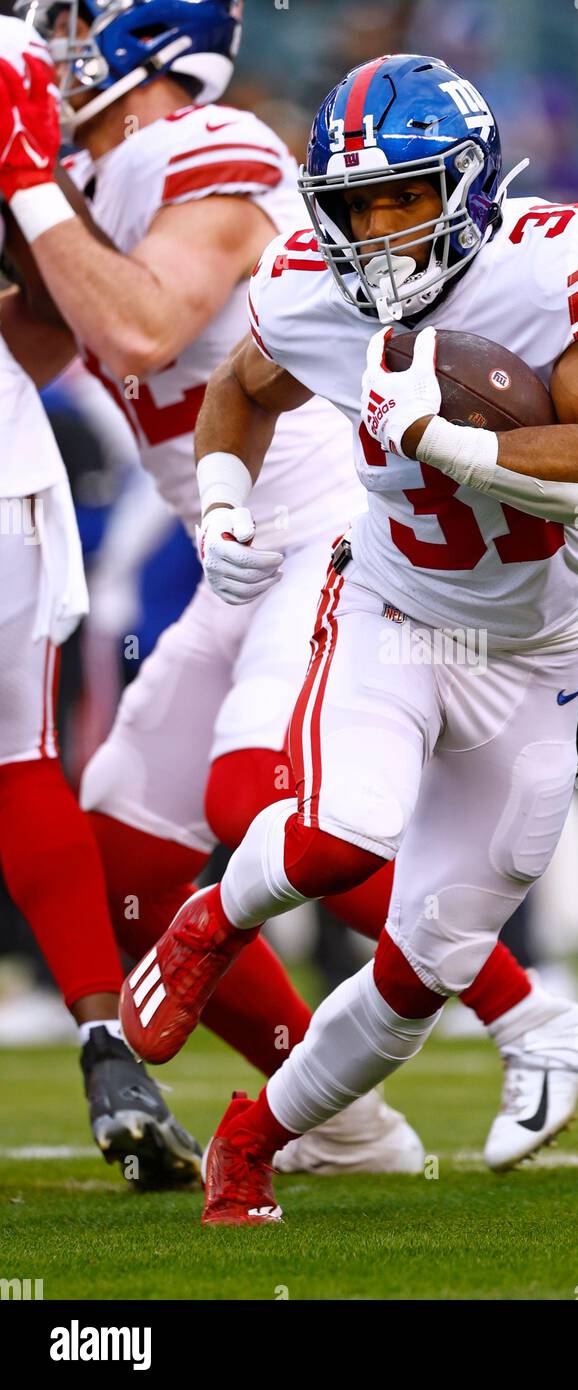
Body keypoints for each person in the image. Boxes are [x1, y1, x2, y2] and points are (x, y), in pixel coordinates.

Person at [116, 52, 578, 1224]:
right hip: (393, 612)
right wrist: (227, 504)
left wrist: (448, 441)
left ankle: (255, 1136)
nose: (379, 233)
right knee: (342, 831)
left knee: (423, 970)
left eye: (405, 198)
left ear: (471, 185)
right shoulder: (305, 288)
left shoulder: (562, 264)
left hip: (539, 654)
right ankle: (213, 918)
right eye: (354, 207)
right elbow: (240, 391)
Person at [2, 1, 578, 1174]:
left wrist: (24, 180)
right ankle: (337, 1117)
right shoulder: (93, 174)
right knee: (126, 867)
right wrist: (34, 197)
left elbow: (136, 326)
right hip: (234, 548)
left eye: (79, 21)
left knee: (247, 800)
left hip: (325, 522)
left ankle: (531, 1017)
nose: (58, 43)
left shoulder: (200, 143)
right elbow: (38, 348)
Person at [0, 12, 199, 1187]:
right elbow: (53, 320)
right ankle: (105, 1038)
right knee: (19, 760)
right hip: (2, 461)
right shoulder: (19, 66)